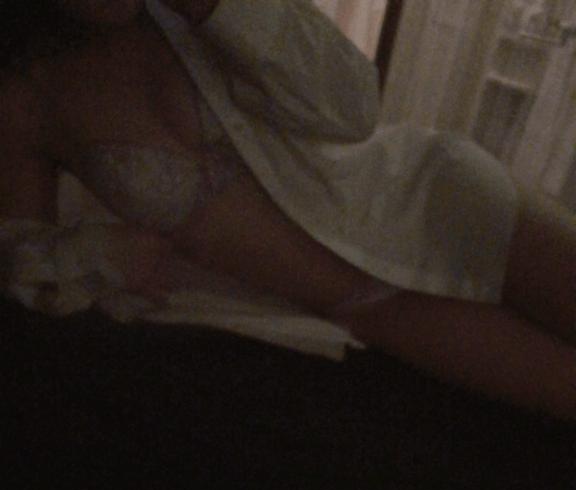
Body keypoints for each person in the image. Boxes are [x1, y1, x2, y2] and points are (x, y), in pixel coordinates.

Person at [1, 0, 576, 420]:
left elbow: (355, 108)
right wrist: (97, 249)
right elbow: (20, 262)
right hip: (372, 308)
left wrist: (215, 8)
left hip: (436, 201)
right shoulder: (24, 99)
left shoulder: (192, 14)